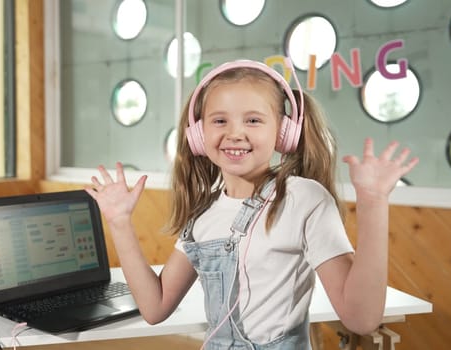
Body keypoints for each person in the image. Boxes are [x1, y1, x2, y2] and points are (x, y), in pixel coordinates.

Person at [84, 59, 418, 349]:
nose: (235, 133)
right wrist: (119, 222)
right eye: (219, 121)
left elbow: (361, 319)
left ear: (284, 132)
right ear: (198, 135)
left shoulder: (303, 199)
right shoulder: (203, 214)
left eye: (253, 120)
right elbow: (154, 308)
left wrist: (374, 205)